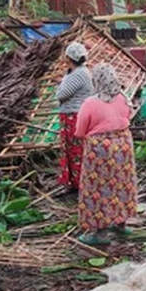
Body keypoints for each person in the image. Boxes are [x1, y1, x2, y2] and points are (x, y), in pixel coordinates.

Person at [74, 64, 138, 245]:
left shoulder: (91, 103)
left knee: (99, 188)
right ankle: (121, 224)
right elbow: (128, 116)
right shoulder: (123, 98)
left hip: (100, 150)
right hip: (124, 145)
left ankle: (99, 233)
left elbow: (80, 131)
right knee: (122, 184)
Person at [55, 42, 93, 192]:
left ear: (69, 58)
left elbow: (61, 95)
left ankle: (79, 183)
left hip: (74, 116)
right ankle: (73, 181)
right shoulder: (77, 72)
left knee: (76, 150)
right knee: (72, 149)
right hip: (72, 115)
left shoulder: (78, 74)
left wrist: (59, 87)